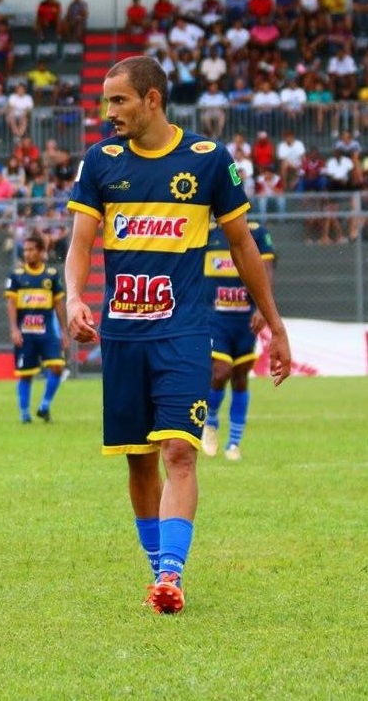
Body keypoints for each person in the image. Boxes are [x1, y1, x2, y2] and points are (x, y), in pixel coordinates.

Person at [64, 55, 291, 615]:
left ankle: (171, 575)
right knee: (138, 460)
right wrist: (72, 296)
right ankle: (156, 565)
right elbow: (81, 244)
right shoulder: (100, 162)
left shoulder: (209, 160)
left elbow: (243, 247)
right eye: (106, 101)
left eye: (119, 101)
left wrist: (275, 323)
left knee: (178, 453)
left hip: (185, 332)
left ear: (153, 99)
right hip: (122, 336)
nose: (109, 112)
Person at [201, 221, 276, 461]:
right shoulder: (207, 231)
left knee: (240, 378)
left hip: (246, 318)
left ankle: (233, 443)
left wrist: (263, 308)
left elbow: (267, 269)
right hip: (215, 317)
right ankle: (210, 421)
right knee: (220, 371)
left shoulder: (257, 232)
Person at [5, 233, 69, 423]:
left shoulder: (51, 276)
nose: (27, 253)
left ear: (41, 251)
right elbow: (11, 303)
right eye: (25, 250)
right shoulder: (17, 276)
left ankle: (44, 406)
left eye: (31, 249)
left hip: (47, 333)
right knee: (26, 375)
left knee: (57, 367)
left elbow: (59, 305)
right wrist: (14, 330)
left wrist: (64, 332)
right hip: (25, 334)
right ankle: (25, 414)